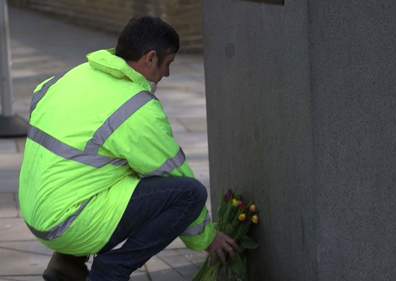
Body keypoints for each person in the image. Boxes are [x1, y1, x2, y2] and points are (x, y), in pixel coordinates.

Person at [18, 16, 238, 281]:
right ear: (150, 58)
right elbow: (175, 174)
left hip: (36, 213)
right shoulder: (136, 109)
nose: (167, 74)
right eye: (167, 64)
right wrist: (207, 238)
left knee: (108, 168)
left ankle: (65, 265)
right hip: (69, 223)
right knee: (188, 194)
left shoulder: (69, 77)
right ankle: (111, 271)